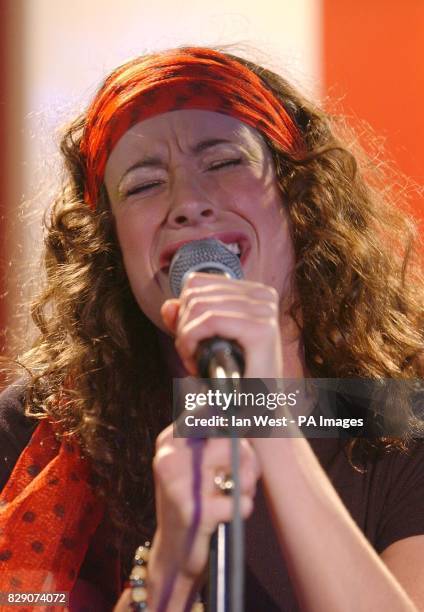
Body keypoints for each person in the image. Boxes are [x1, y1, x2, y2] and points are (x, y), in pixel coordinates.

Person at [0, 46, 423, 612]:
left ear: (298, 196)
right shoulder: (42, 428)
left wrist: (263, 413)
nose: (189, 203)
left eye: (223, 162)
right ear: (111, 244)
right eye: (144, 185)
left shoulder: (398, 412)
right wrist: (169, 567)